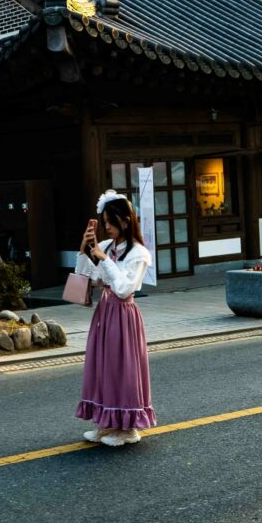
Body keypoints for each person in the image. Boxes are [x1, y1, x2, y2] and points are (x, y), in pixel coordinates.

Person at [74, 188, 156, 448]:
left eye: (110, 221)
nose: (106, 226)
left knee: (124, 369)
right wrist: (85, 249)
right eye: (104, 221)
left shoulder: (139, 254)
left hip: (123, 314)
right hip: (105, 312)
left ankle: (128, 428)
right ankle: (107, 422)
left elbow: (124, 288)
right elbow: (89, 277)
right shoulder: (108, 246)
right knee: (103, 367)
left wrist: (102, 259)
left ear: (125, 220)